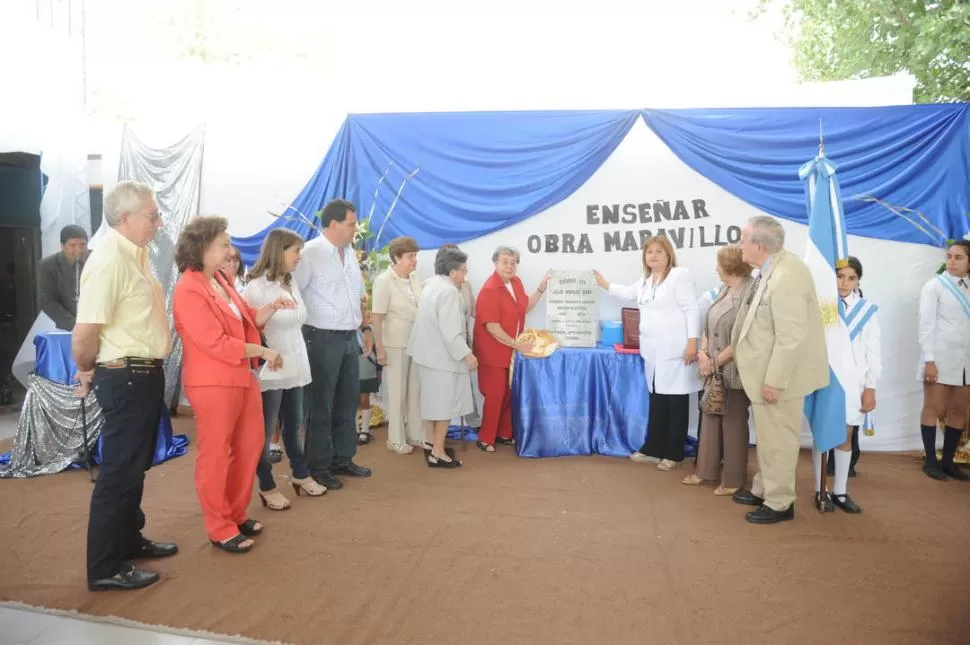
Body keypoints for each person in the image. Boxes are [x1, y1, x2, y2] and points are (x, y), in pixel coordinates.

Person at [72, 181, 174, 591]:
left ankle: (129, 539)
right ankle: (104, 567)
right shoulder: (111, 260)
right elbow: (84, 334)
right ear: (124, 218)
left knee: (134, 469)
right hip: (125, 373)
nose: (158, 222)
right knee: (118, 473)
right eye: (152, 215)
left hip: (143, 372)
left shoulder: (137, 254)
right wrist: (86, 368)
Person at [173, 216, 291, 553]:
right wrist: (262, 351)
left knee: (251, 445)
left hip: (241, 376)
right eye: (224, 244)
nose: (230, 250)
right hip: (212, 382)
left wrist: (270, 306)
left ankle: (236, 514)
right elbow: (215, 342)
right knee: (215, 454)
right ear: (202, 248)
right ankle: (219, 526)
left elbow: (246, 318)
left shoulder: (222, 280)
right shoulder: (188, 288)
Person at [730, 215, 828, 525]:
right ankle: (764, 489)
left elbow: (791, 337)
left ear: (758, 245)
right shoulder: (772, 268)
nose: (739, 244)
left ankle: (780, 502)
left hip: (778, 379)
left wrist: (775, 381)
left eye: (743, 239)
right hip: (763, 373)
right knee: (768, 438)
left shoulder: (788, 275)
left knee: (779, 441)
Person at [595, 235, 702, 470]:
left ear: (669, 255)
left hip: (677, 350)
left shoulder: (679, 276)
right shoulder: (646, 280)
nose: (652, 255)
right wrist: (604, 284)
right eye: (649, 252)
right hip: (653, 352)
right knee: (658, 399)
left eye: (658, 251)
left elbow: (691, 309)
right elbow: (626, 292)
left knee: (676, 401)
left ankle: (673, 453)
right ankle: (653, 448)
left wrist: (693, 342)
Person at [243, 228, 326, 511]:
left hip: (295, 361)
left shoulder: (291, 282)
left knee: (294, 424)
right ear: (280, 252)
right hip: (271, 365)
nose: (299, 257)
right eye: (295, 252)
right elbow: (249, 327)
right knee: (264, 432)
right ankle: (266, 485)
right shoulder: (256, 287)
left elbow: (298, 318)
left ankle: (300, 474)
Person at [293, 199, 372, 491]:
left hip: (349, 336)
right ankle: (318, 465)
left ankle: (343, 458)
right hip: (321, 338)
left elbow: (358, 294)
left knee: (348, 401)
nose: (355, 229)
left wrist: (365, 327)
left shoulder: (349, 252)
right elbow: (294, 291)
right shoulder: (310, 253)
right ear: (334, 224)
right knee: (320, 406)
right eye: (351, 224)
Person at [681, 245, 754, 495]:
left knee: (733, 423)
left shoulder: (750, 292)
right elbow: (707, 323)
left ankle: (733, 480)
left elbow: (743, 338)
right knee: (710, 416)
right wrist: (703, 354)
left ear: (731, 266)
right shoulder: (725, 289)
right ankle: (706, 471)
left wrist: (713, 362)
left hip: (734, 369)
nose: (716, 268)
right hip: (713, 367)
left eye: (719, 263)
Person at [813, 256, 881, 513]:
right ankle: (820, 489)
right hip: (825, 378)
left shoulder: (867, 311)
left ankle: (841, 490)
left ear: (858, 281)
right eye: (840, 276)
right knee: (823, 433)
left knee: (845, 435)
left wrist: (871, 387)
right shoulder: (823, 307)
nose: (844, 282)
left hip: (854, 383)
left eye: (851, 278)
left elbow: (873, 352)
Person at [473, 246, 549, 452]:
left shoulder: (516, 283)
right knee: (495, 394)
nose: (509, 266)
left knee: (508, 393)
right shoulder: (489, 289)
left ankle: (504, 433)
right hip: (492, 352)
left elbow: (524, 306)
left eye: (513, 262)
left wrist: (541, 288)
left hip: (510, 351)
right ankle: (485, 438)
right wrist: (518, 344)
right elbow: (492, 327)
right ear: (495, 263)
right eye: (505, 261)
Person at [408, 245, 477, 467]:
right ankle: (438, 451)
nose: (465, 274)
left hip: (428, 355)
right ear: (452, 271)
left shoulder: (431, 284)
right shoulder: (448, 292)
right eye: (464, 270)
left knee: (432, 404)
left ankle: (431, 443)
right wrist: (468, 355)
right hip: (441, 358)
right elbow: (451, 332)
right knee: (445, 405)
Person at [916, 239, 970, 481]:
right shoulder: (934, 286)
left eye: (958, 257)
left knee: (959, 410)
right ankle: (930, 461)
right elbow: (926, 325)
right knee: (933, 408)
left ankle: (948, 462)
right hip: (939, 357)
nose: (951, 261)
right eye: (949, 256)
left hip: (966, 360)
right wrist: (929, 360)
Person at [372, 236, 424, 454]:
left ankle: (416, 434)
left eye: (415, 256)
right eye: (410, 256)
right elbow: (377, 317)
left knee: (414, 392)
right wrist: (380, 348)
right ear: (396, 257)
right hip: (394, 344)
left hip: (415, 342)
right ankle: (395, 439)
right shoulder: (384, 280)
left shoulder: (414, 279)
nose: (414, 261)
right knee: (397, 393)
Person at [38, 224, 90, 330]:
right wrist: (74, 325)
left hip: (98, 326)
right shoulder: (47, 265)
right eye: (72, 245)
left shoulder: (97, 259)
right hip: (67, 327)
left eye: (82, 245)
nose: (78, 250)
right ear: (62, 245)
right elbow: (47, 301)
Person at [356, 302, 381, 445]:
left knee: (364, 398)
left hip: (366, 367)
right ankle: (353, 430)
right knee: (352, 400)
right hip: (353, 365)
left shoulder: (369, 331)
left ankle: (365, 430)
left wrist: (379, 371)